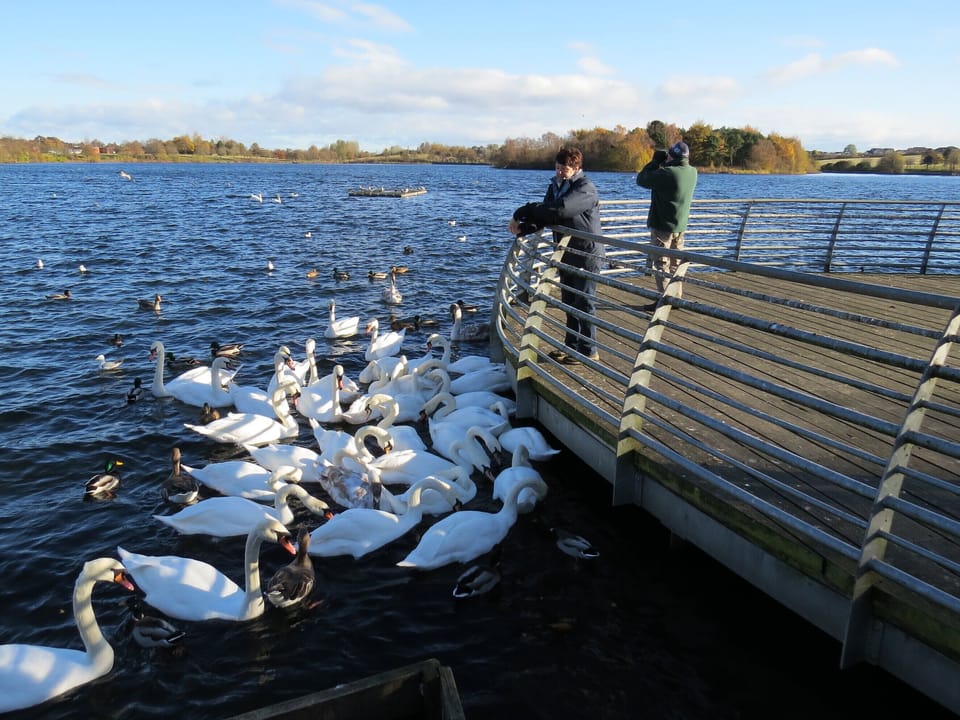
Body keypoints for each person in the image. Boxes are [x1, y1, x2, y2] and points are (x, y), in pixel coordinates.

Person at [509, 147, 603, 364]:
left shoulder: (585, 188)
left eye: (566, 168)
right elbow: (546, 216)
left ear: (577, 168)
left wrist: (524, 210)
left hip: (586, 252)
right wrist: (524, 228)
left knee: (584, 301)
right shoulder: (555, 187)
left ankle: (589, 350)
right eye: (558, 167)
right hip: (565, 251)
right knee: (568, 300)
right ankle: (571, 346)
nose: (560, 172)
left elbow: (560, 211)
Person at [636, 140, 698, 310]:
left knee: (661, 263)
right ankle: (676, 297)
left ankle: (665, 300)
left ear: (672, 156)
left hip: (662, 226)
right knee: (676, 264)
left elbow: (642, 179)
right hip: (680, 226)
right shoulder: (692, 172)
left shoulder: (668, 173)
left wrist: (655, 162)